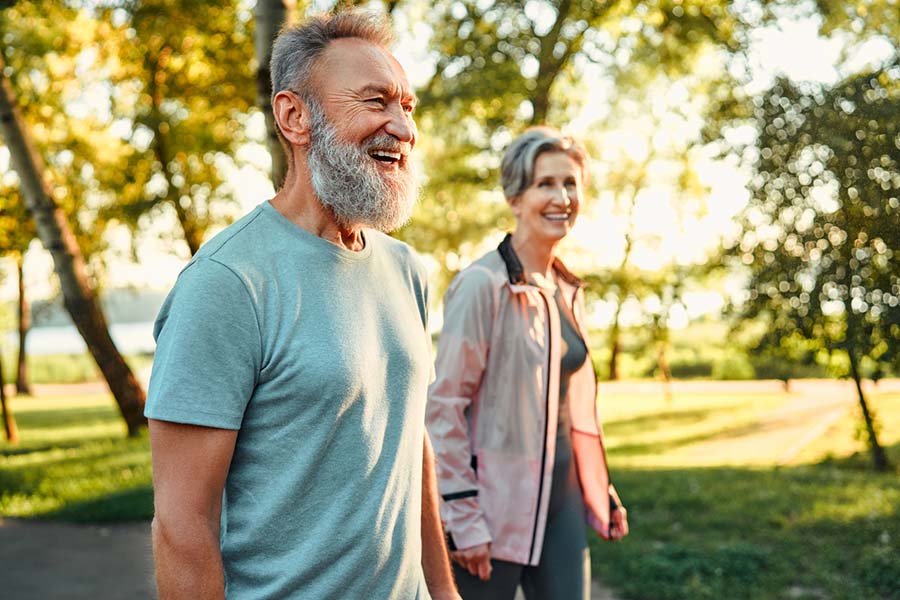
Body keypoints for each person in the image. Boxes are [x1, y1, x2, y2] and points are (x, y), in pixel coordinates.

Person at [145, 12, 459, 600]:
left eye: (407, 107)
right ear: (295, 117)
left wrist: (444, 592)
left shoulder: (406, 269)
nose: (402, 126)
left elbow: (408, 444)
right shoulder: (227, 283)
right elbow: (182, 527)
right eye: (375, 101)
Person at [426, 127, 630, 599]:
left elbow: (564, 407)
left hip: (562, 509)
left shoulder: (566, 288)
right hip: (491, 516)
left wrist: (600, 486)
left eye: (570, 183)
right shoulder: (482, 284)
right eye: (545, 184)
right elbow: (443, 409)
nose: (562, 197)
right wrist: (463, 519)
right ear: (515, 197)